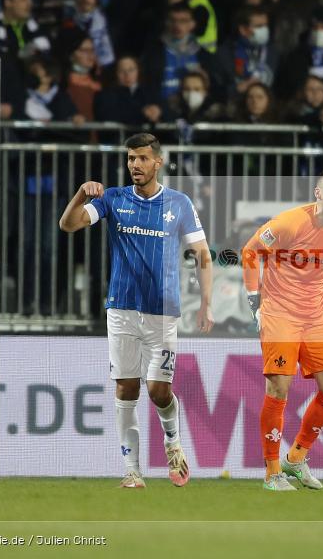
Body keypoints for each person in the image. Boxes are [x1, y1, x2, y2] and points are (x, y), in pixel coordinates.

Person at [58, 132, 215, 488]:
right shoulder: (113, 199)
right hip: (122, 309)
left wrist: (206, 303)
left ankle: (173, 441)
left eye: (142, 158)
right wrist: (82, 193)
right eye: (130, 159)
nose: (135, 165)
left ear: (158, 162)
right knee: (127, 388)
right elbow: (68, 225)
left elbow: (202, 255)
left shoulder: (179, 203)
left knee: (159, 390)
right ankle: (132, 471)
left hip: (163, 312)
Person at [242, 166, 323, 491]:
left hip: (317, 318)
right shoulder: (289, 224)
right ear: (318, 193)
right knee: (279, 389)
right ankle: (272, 473)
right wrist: (256, 305)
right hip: (280, 313)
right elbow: (250, 252)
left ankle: (296, 459)